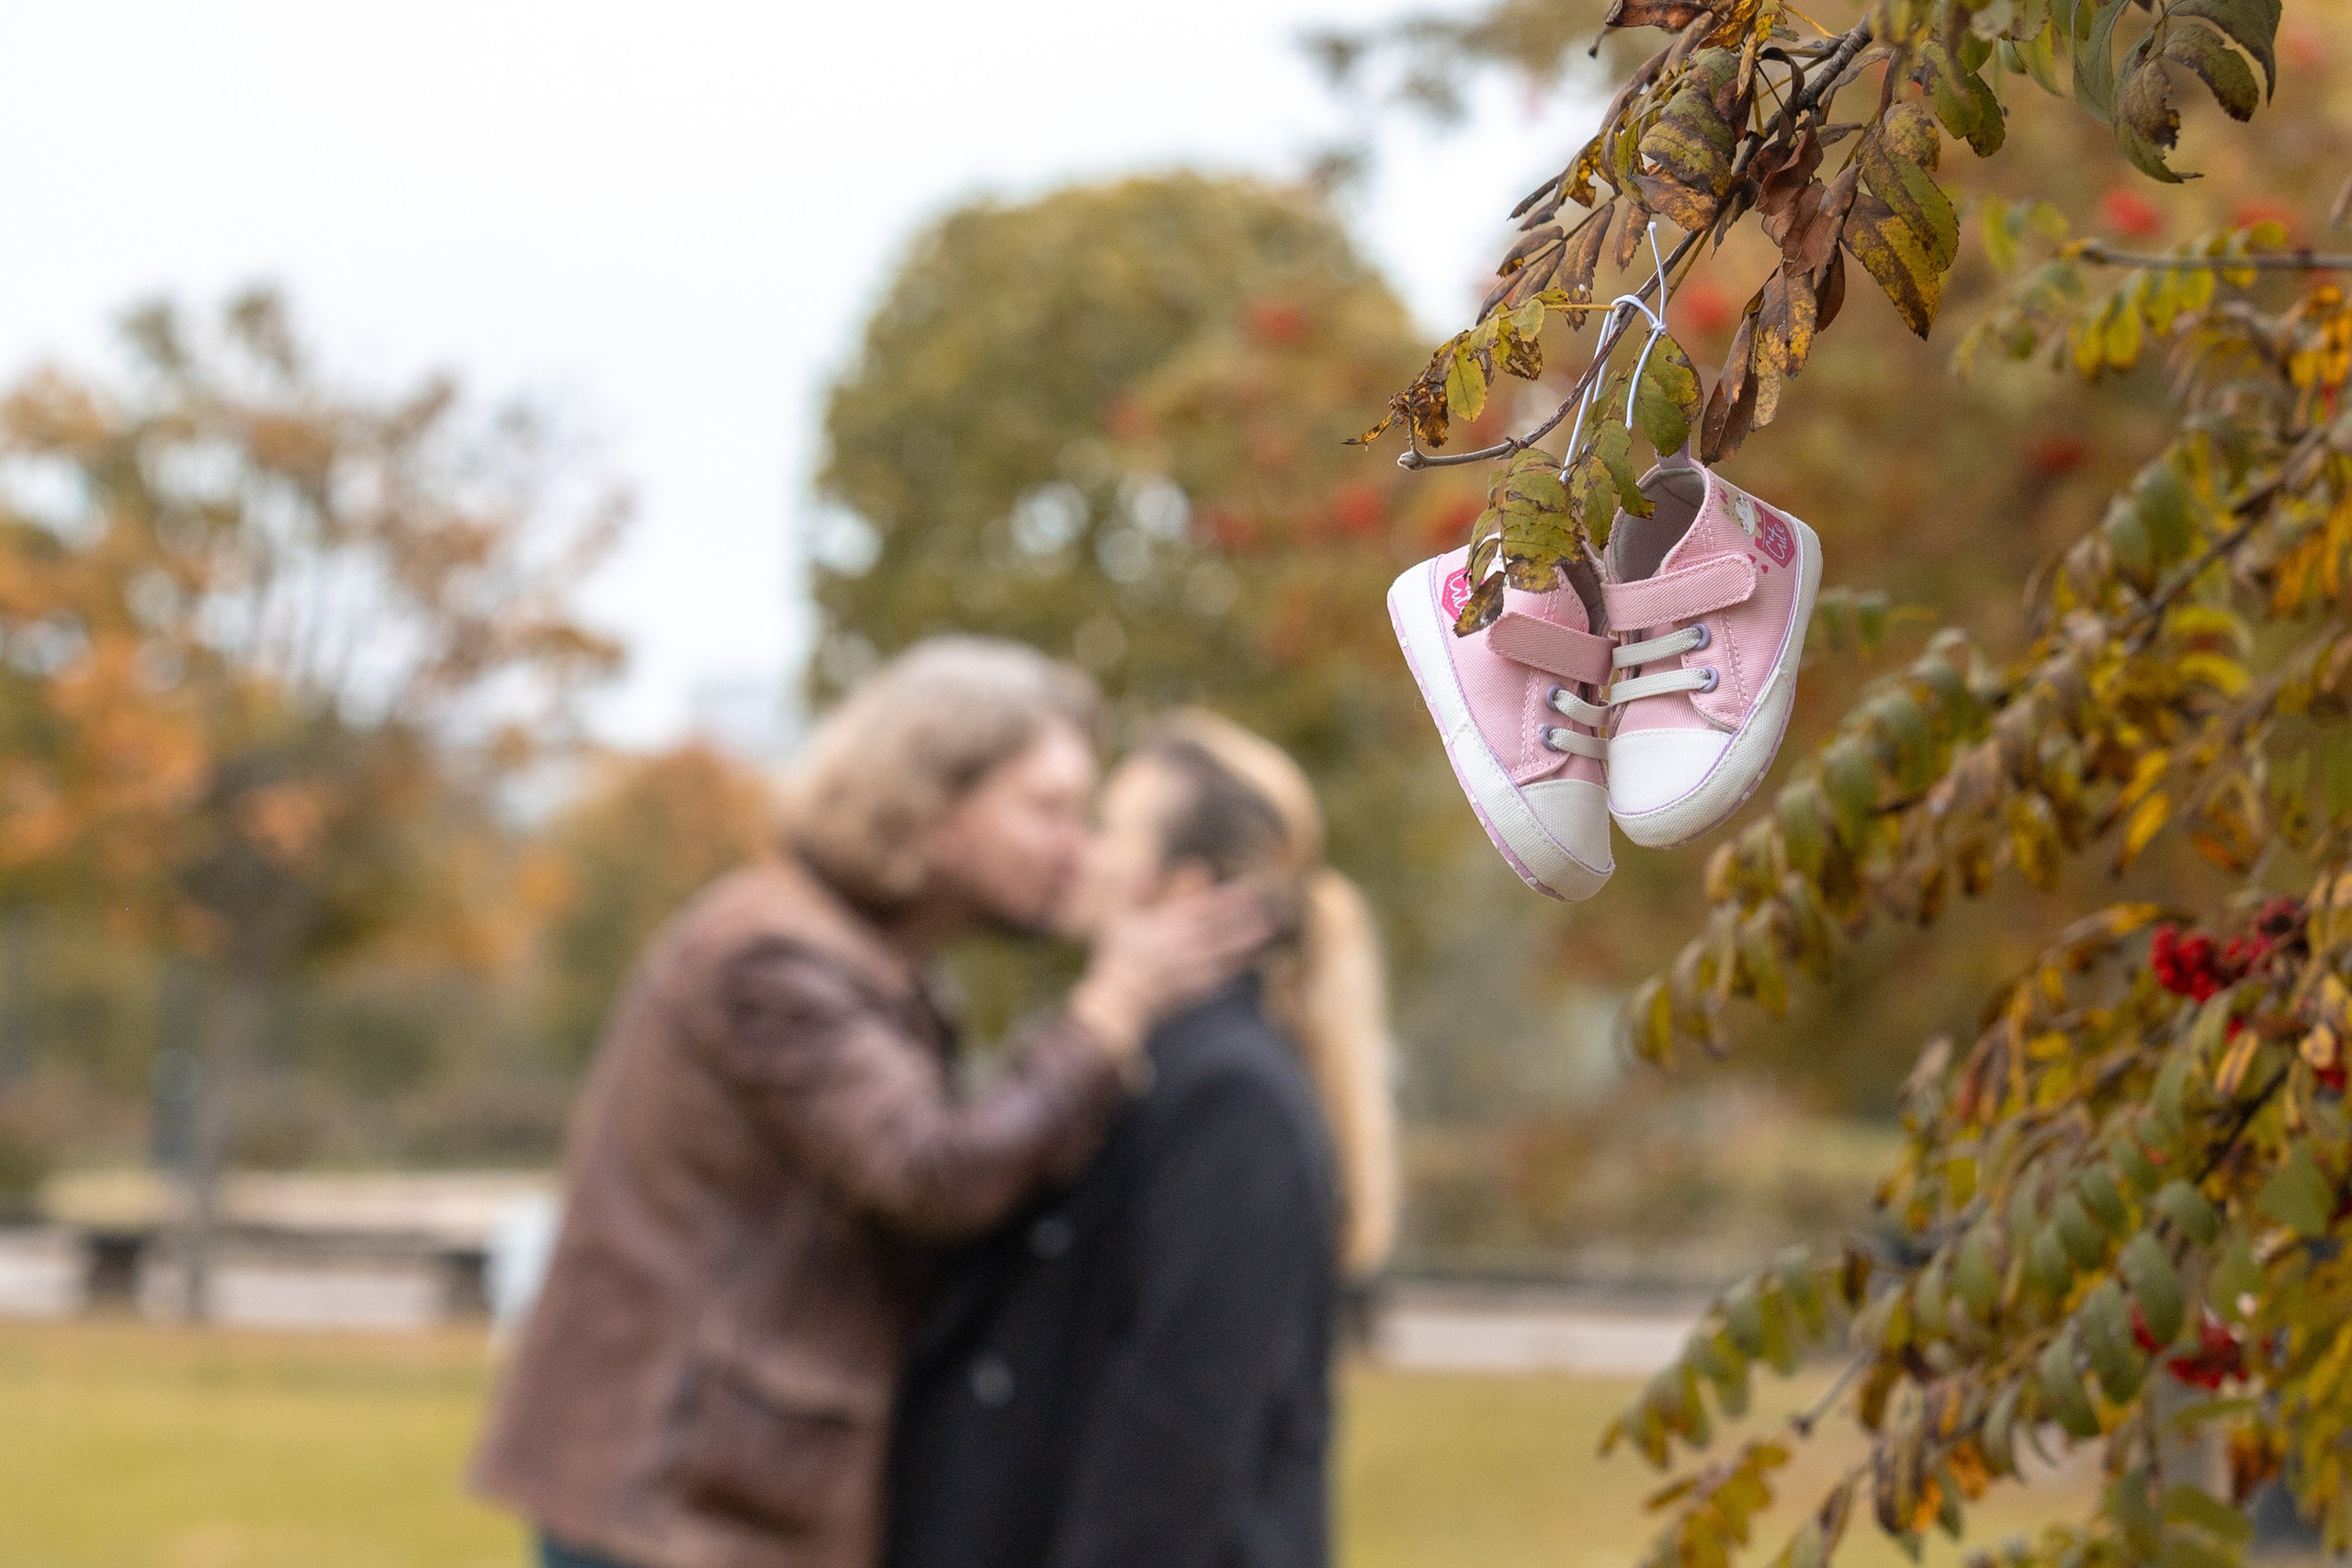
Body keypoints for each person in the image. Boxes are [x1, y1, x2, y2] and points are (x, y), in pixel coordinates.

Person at [474, 640, 1276, 1568]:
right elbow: (931, 1173)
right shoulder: (771, 958)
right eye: (1047, 810)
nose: (1079, 850)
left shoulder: (857, 955)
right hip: (678, 1509)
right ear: (932, 811)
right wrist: (1111, 1010)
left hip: (718, 1495)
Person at [885, 710, 1399, 1568]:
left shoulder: (1230, 1097)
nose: (1077, 850)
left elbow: (1177, 1440)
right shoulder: (1147, 1064)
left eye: (1109, 828)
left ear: (1183, 888)